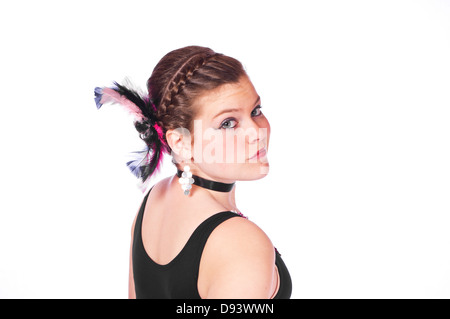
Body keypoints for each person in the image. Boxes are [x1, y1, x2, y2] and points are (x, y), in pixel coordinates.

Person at [94, 46, 291, 299]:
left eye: (255, 111)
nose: (257, 132)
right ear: (180, 142)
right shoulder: (240, 243)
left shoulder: (155, 198)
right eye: (228, 123)